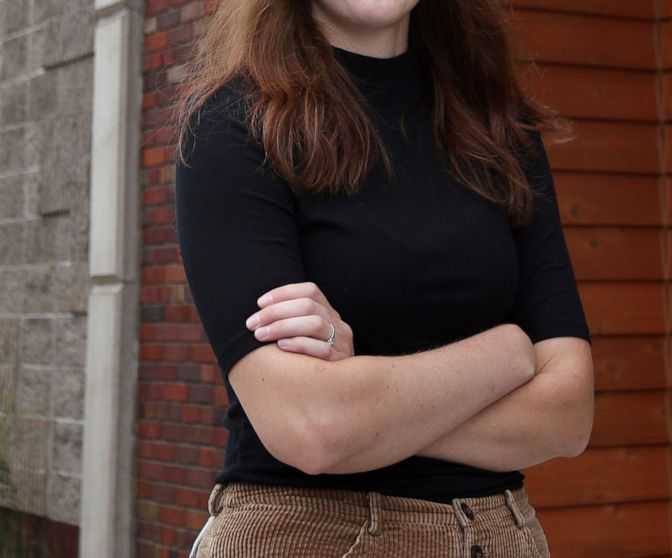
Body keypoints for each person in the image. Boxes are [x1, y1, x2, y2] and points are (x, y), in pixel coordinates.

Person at [173, 0, 594, 556]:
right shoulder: (234, 123)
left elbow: (568, 416)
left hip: (500, 536)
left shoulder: (498, 125)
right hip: (310, 533)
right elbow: (312, 427)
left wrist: (363, 408)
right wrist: (509, 354)